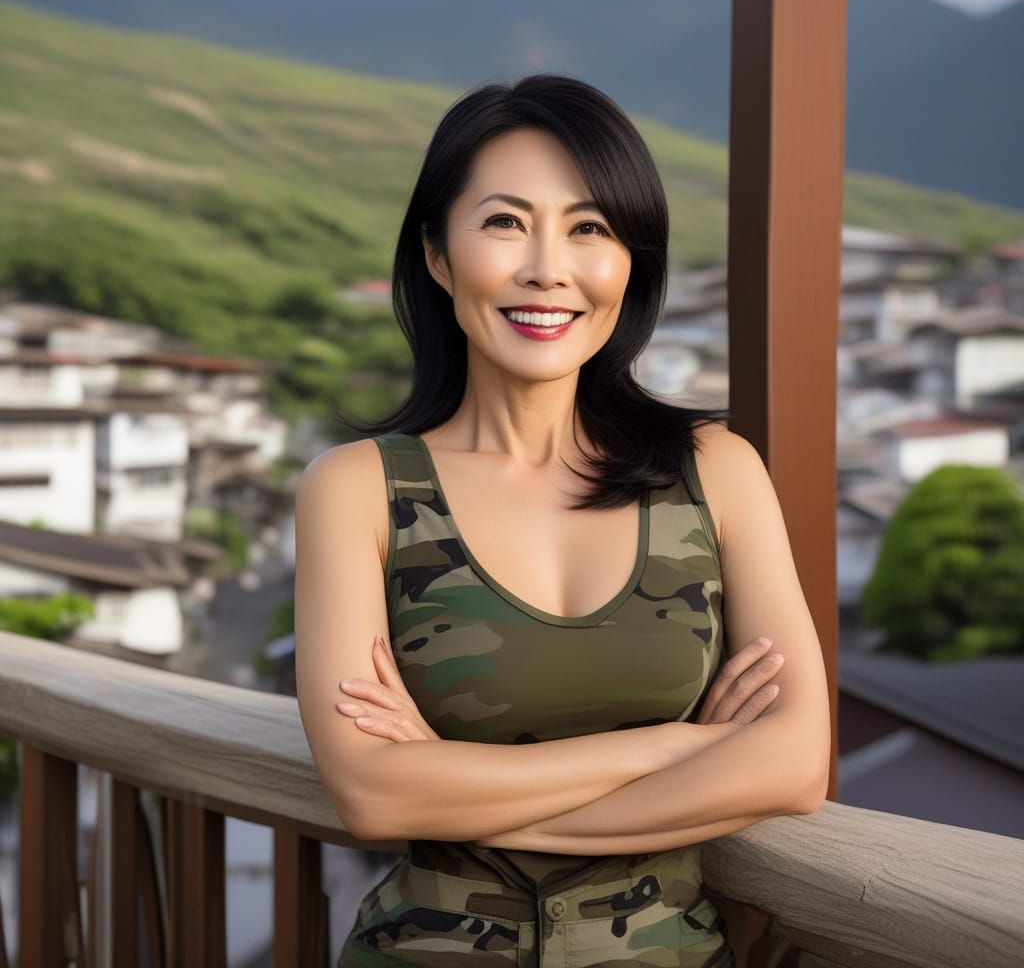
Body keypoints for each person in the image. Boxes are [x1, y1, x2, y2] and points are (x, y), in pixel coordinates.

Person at [294, 73, 831, 967]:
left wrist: (454, 782)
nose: (549, 266)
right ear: (436, 252)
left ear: (632, 261)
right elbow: (375, 796)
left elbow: (797, 764)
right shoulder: (358, 488)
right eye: (505, 222)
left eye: (590, 228)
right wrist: (682, 748)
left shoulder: (716, 470)